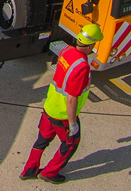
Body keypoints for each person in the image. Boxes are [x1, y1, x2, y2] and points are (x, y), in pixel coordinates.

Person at [21, 24, 102, 184]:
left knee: (42, 140)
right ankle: (49, 173)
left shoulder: (66, 51)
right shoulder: (82, 67)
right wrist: (72, 124)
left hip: (49, 107)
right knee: (71, 143)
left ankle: (29, 170)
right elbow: (72, 99)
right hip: (63, 115)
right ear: (91, 45)